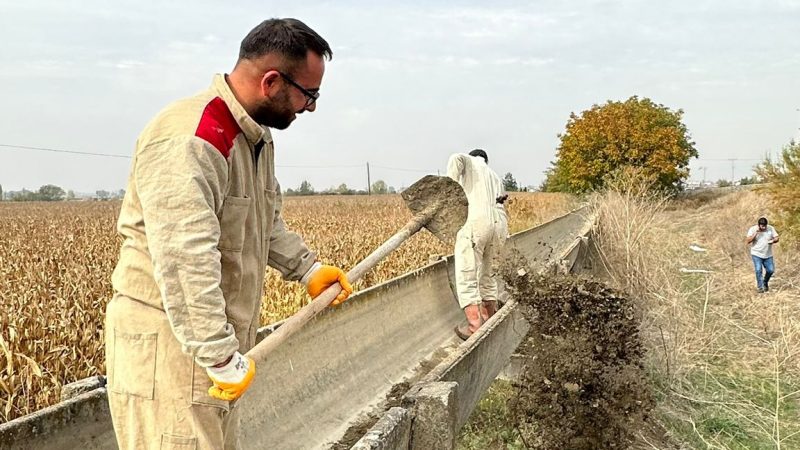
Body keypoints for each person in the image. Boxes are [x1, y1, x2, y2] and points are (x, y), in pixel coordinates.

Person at [105, 18, 353, 449]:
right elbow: (186, 258)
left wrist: (308, 268)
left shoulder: (254, 137)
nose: (310, 107)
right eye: (308, 94)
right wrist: (218, 354)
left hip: (216, 347)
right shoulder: (193, 139)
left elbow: (263, 222)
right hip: (174, 346)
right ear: (271, 81)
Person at [447, 149, 509, 340]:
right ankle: (489, 318)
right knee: (489, 273)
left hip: (476, 220)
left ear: (474, 156)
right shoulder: (494, 176)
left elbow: (456, 158)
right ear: (486, 159)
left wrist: (447, 191)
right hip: (499, 225)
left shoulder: (470, 162)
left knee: (467, 273)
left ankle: (475, 327)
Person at [745, 217, 779, 293]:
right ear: (759, 225)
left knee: (771, 270)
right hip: (756, 253)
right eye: (762, 226)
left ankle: (765, 282)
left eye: (765, 226)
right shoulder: (753, 229)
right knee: (758, 270)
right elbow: (748, 241)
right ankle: (760, 287)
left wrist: (773, 240)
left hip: (768, 254)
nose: (763, 228)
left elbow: (777, 238)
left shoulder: (770, 228)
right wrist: (756, 233)